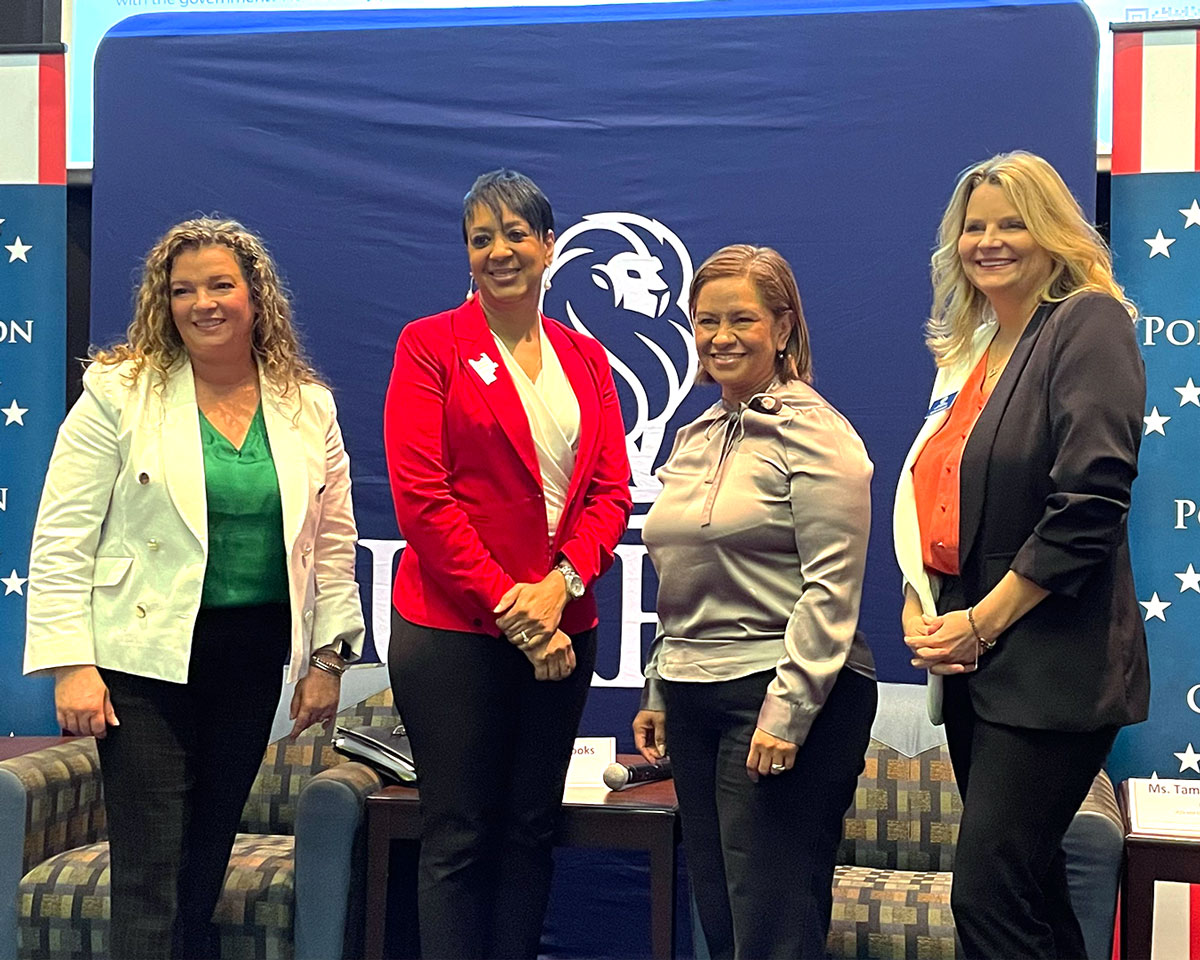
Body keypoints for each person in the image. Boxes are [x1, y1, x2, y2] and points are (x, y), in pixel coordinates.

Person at [23, 217, 366, 960]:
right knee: (150, 872)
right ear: (163, 302)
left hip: (247, 661)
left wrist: (329, 661)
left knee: (205, 861)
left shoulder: (309, 406)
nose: (202, 303)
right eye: (182, 290)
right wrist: (70, 663)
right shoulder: (119, 393)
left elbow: (332, 544)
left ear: (255, 296)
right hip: (140, 661)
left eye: (219, 285)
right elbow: (62, 532)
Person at [894, 151, 1149, 959]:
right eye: (976, 226)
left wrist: (982, 620)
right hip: (977, 675)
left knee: (988, 898)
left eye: (1013, 223)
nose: (991, 241)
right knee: (1029, 898)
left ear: (1053, 235)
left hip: (1053, 671)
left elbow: (1091, 503)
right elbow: (935, 502)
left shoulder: (1087, 322)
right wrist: (926, 599)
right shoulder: (973, 352)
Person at [383, 169, 632, 959]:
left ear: (549, 246)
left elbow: (611, 490)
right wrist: (516, 610)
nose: (500, 252)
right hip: (453, 631)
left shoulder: (586, 358)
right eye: (481, 238)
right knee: (458, 837)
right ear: (465, 255)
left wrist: (559, 589)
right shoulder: (430, 346)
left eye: (515, 234)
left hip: (568, 625)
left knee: (531, 832)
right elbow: (424, 499)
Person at [633, 244, 877, 959]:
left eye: (742, 318)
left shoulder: (818, 432)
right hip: (693, 692)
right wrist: (658, 686)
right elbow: (679, 578)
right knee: (723, 913)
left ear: (783, 326)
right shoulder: (692, 436)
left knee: (771, 924)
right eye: (706, 320)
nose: (721, 336)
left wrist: (790, 710)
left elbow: (833, 587)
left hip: (783, 694)